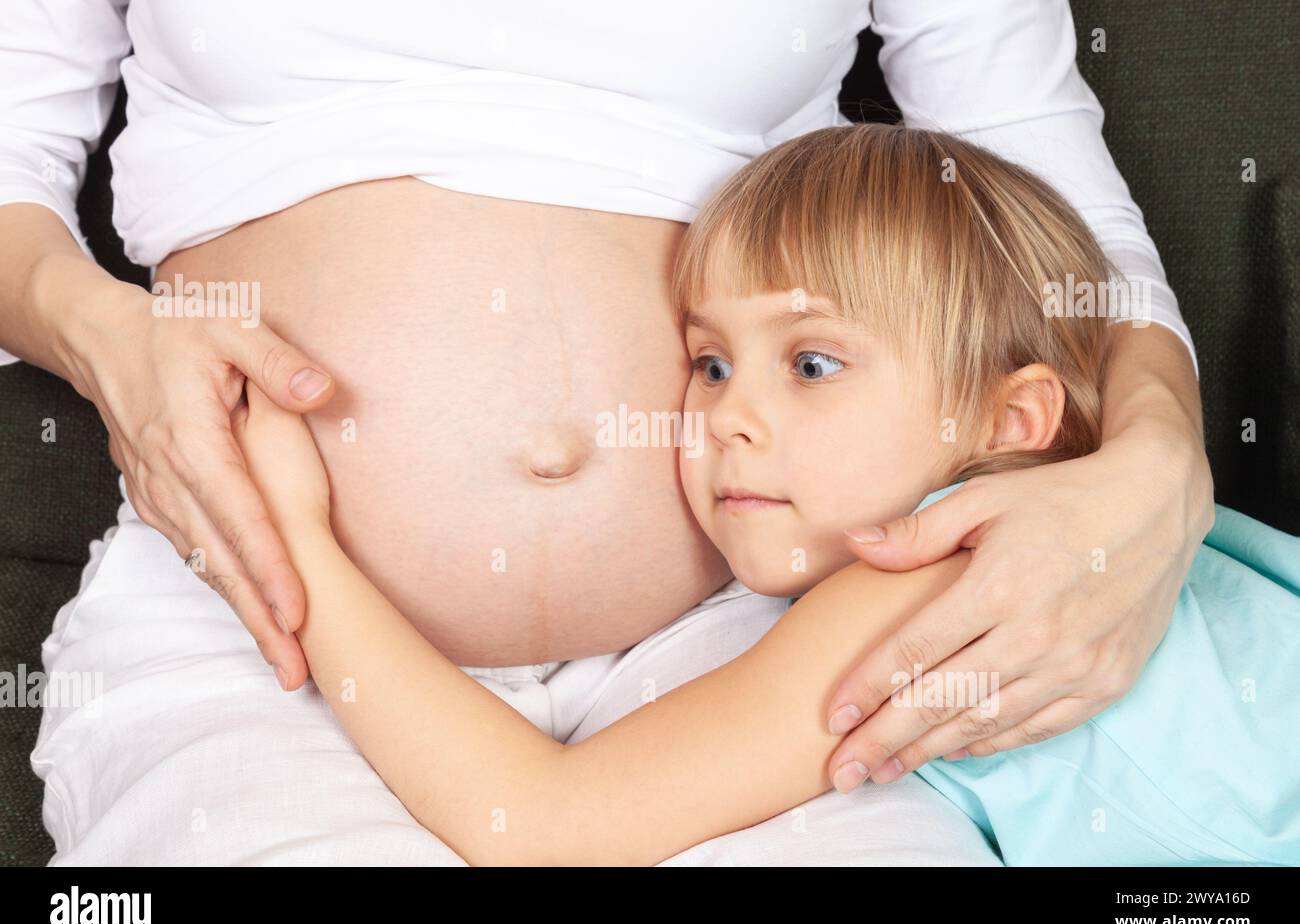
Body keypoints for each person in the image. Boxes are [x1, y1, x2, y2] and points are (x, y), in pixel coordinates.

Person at [4, 2, 1209, 864]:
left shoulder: (858, 616)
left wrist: (1156, 468)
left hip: (750, 631)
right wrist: (111, 340)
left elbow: (1057, 207)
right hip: (255, 619)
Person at [230, 122, 1300, 867]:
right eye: (708, 363)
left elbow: (540, 823)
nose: (726, 418)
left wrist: (302, 541)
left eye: (812, 364)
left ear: (1006, 421)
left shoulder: (923, 581)